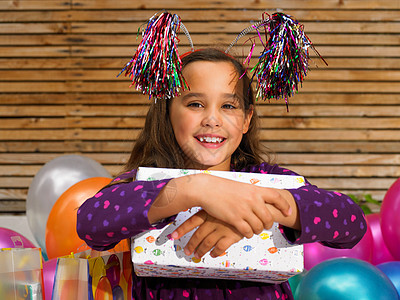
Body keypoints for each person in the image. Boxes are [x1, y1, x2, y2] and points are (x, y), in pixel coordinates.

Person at [77, 48, 367, 300]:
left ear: (246, 119)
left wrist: (259, 209)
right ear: (167, 113)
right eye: (195, 104)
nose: (212, 119)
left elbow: (352, 223)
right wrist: (194, 188)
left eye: (228, 106)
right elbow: (91, 223)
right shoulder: (143, 185)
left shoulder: (267, 178)